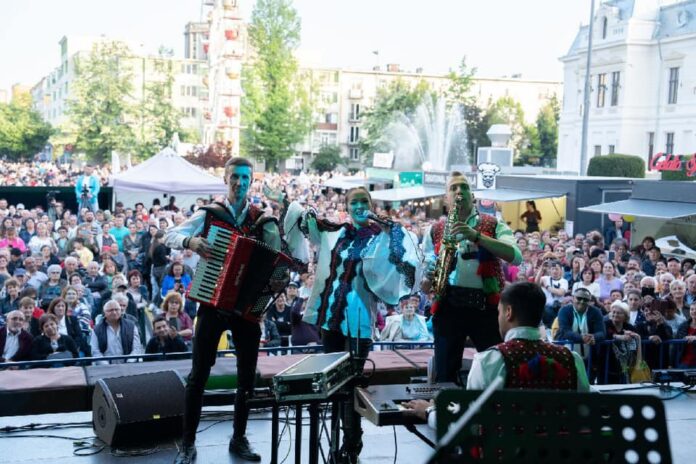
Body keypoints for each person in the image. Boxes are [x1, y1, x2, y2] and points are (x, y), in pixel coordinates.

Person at [283, 186, 419, 463]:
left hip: (359, 324)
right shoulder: (336, 232)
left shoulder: (381, 237)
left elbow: (406, 262)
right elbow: (297, 220)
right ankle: (335, 447)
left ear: (371, 205)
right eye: (354, 202)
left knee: (352, 387)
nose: (359, 206)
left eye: (363, 202)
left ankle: (351, 447)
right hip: (330, 320)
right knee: (333, 386)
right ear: (346, 207)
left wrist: (388, 227)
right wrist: (304, 210)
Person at [166, 157, 286, 463]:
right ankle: (188, 442)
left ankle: (239, 438)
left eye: (245, 178)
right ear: (225, 178)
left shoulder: (262, 221)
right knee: (198, 376)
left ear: (251, 181)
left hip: (245, 310)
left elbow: (276, 261)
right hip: (212, 301)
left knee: (247, 377)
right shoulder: (210, 213)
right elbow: (169, 235)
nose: (239, 182)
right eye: (234, 177)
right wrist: (191, 241)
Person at [403, 282, 590, 427]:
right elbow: (585, 412)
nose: (497, 318)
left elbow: (467, 425)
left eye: (498, 312)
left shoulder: (489, 361)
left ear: (508, 312)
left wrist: (430, 412)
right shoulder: (571, 359)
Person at [421, 172, 522, 383]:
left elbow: (516, 257)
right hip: (448, 306)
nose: (459, 191)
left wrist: (476, 236)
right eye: (454, 188)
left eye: (464, 187)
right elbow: (424, 287)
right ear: (446, 198)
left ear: (473, 195)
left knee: (496, 371)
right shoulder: (435, 230)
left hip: (486, 307)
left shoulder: (493, 224)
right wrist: (430, 276)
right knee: (445, 374)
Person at [555, 287, 606, 364]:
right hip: (565, 352)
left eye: (585, 299)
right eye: (579, 298)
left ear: (589, 301)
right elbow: (564, 331)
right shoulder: (564, 310)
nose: (582, 301)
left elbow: (602, 332)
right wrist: (581, 338)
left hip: (590, 355)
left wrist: (593, 337)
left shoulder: (596, 312)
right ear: (573, 298)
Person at [89, 299, 143, 364]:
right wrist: (106, 365)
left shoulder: (131, 326)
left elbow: (137, 348)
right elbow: (95, 351)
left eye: (116, 309)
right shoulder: (97, 329)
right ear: (104, 312)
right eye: (110, 310)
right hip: (105, 367)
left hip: (129, 366)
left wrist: (129, 363)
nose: (114, 312)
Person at [673, 302, 696, 368]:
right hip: (684, 363)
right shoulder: (683, 326)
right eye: (692, 309)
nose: (694, 311)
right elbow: (676, 346)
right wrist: (671, 363)